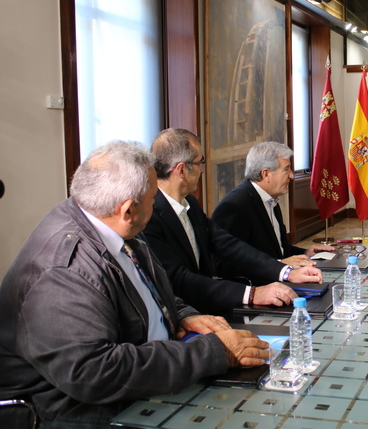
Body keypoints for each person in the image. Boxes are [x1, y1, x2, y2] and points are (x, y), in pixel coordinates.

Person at [0, 141, 270, 428]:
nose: (157, 204)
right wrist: (213, 352)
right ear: (128, 210)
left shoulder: (113, 225)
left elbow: (146, 289)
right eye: (154, 197)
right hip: (68, 410)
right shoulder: (64, 270)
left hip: (140, 376)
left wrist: (183, 315)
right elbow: (93, 374)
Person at [143, 129, 322, 315]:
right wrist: (252, 294)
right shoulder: (150, 215)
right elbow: (180, 279)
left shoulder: (191, 205)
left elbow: (228, 245)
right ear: (181, 169)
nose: (203, 169)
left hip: (207, 305)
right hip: (181, 315)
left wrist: (285, 272)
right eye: (200, 163)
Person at [212, 141, 334, 261]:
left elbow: (278, 250)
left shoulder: (270, 199)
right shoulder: (234, 206)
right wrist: (280, 266)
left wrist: (307, 253)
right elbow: (225, 263)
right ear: (266, 174)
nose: (291, 175)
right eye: (286, 169)